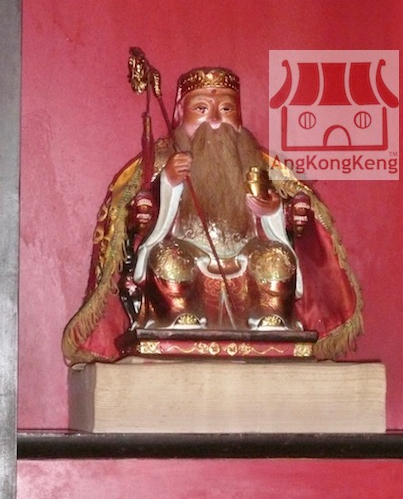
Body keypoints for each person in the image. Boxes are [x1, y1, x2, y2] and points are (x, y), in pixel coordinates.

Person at [62, 67, 363, 364]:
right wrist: (168, 182)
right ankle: (179, 317)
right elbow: (137, 215)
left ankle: (270, 318)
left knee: (276, 260)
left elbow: (290, 211)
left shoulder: (259, 162)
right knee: (167, 260)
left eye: (226, 109)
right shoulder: (163, 161)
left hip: (247, 254)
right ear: (180, 113)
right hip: (189, 251)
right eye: (202, 109)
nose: (216, 120)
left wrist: (275, 210)